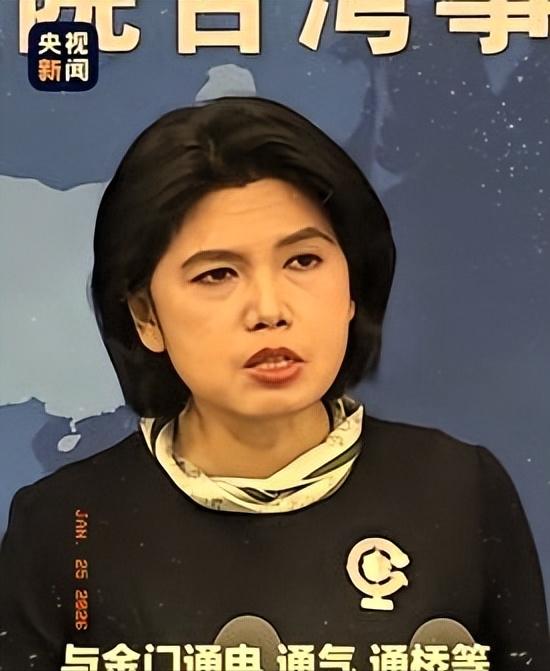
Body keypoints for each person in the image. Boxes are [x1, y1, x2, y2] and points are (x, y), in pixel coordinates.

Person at [0, 97, 548, 671]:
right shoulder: (65, 522)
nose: (269, 309)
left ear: (353, 287)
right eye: (217, 274)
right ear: (145, 316)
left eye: (303, 261)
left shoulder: (460, 490)